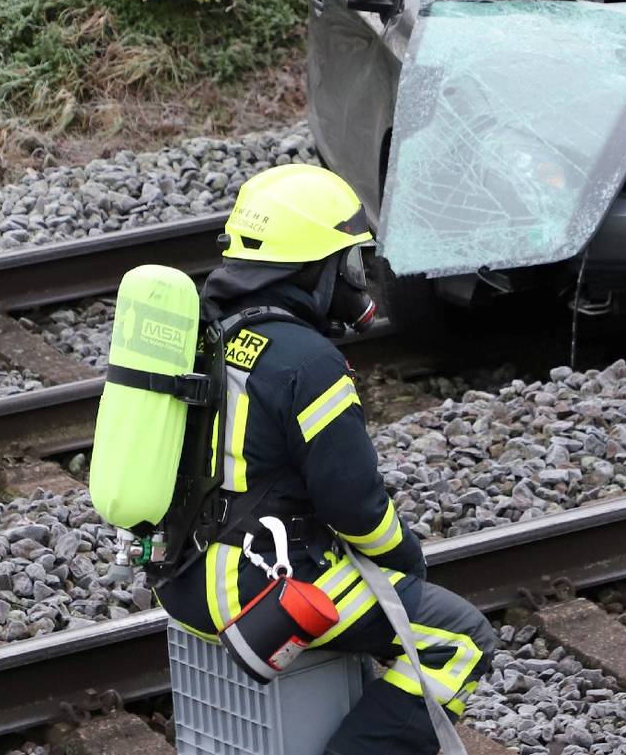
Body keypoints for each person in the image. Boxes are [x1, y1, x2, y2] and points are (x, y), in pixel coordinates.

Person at [154, 163, 497, 755]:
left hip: (184, 573)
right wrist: (408, 563)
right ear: (314, 268)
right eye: (349, 263)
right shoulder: (308, 361)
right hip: (260, 586)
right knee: (460, 638)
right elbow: (355, 504)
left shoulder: (207, 332)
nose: (355, 280)